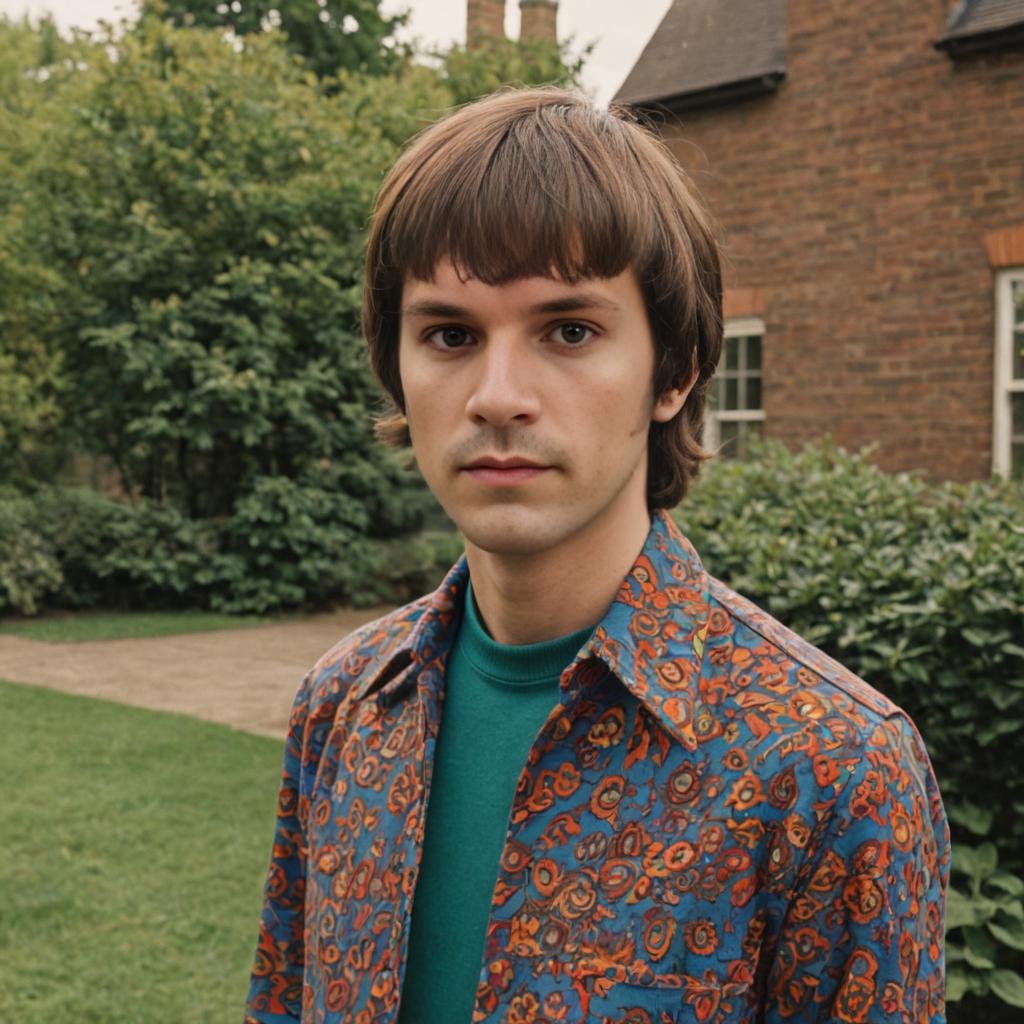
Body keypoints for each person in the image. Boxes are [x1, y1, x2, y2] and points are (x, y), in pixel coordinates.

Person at [244, 86, 950, 1024]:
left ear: (674, 372)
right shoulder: (343, 706)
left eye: (568, 331)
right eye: (450, 334)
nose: (498, 395)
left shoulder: (833, 770)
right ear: (397, 368)